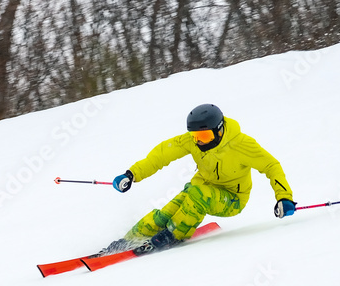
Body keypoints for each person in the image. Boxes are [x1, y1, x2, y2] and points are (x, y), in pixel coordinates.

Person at [100, 104, 296, 255]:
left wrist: (283, 197)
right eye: (195, 136)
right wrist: (132, 174)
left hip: (232, 199)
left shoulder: (242, 144)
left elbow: (271, 166)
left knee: (197, 194)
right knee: (165, 214)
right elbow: (162, 154)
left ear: (219, 130)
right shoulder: (194, 142)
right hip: (199, 190)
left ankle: (172, 235)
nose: (199, 140)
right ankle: (128, 240)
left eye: (204, 135)